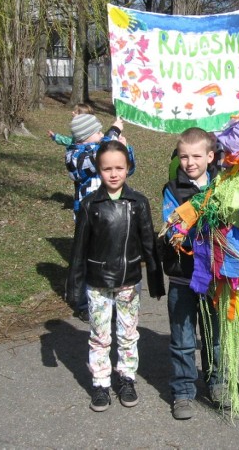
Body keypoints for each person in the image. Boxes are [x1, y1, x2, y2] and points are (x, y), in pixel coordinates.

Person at [66, 140, 165, 412]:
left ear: (128, 168)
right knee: (100, 335)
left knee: (128, 334)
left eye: (119, 167)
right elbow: (78, 250)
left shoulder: (138, 203)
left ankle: (126, 378)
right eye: (107, 168)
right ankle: (100, 382)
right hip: (97, 284)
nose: (113, 173)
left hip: (129, 282)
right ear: (98, 170)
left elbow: (149, 244)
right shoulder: (89, 205)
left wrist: (156, 281)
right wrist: (73, 288)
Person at [161, 128, 224, 420]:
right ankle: (183, 391)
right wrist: (186, 230)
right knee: (183, 338)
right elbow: (171, 226)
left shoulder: (223, 187)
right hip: (182, 277)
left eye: (197, 156)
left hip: (215, 278)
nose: (190, 162)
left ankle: (217, 383)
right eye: (184, 156)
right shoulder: (172, 190)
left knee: (215, 335)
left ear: (210, 157)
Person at [65, 114, 136, 322]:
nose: (100, 134)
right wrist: (112, 133)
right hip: (88, 216)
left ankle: (110, 295)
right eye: (97, 132)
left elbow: (128, 168)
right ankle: (82, 302)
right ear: (85, 136)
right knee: (88, 257)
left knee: (109, 254)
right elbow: (95, 158)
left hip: (112, 215)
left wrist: (124, 148)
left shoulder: (100, 149)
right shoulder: (75, 156)